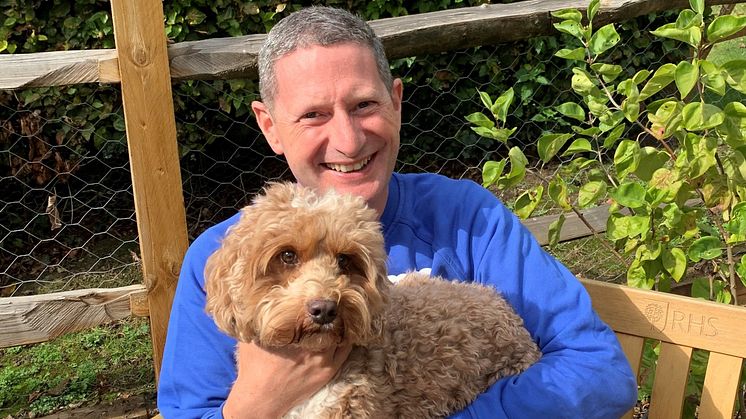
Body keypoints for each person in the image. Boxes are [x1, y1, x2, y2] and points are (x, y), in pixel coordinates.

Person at [157, 6, 637, 419]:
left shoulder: (469, 220)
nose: (348, 140)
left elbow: (600, 374)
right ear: (270, 127)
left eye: (364, 104)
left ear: (397, 103)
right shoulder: (220, 258)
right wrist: (254, 404)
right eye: (313, 115)